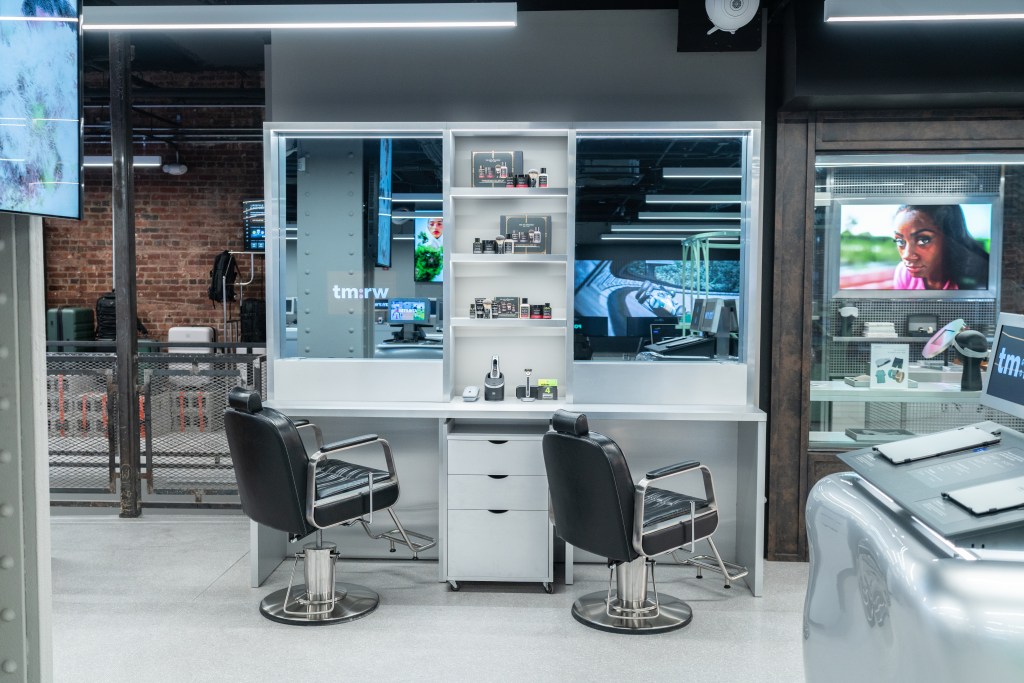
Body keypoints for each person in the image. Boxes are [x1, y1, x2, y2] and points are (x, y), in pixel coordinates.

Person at [891, 204, 989, 290]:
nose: (906, 256)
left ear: (950, 239)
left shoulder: (978, 279)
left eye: (923, 240)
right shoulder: (903, 273)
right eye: (900, 241)